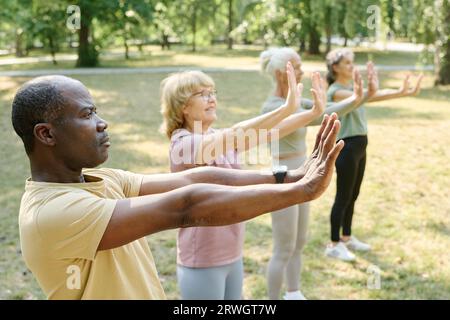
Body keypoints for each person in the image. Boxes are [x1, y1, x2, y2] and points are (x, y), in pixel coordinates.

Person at [12, 74, 343, 300]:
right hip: (203, 260)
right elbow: (185, 205)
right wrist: (301, 191)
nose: (102, 122)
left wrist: (290, 176)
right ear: (46, 134)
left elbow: (197, 179)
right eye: (86, 114)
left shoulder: (103, 180)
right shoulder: (52, 214)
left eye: (96, 111)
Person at [160, 62, 330, 300]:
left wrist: (311, 114)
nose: (211, 99)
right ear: (183, 106)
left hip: (232, 251)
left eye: (212, 93)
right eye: (202, 94)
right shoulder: (184, 144)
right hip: (203, 258)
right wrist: (286, 107)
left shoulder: (214, 137)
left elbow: (268, 133)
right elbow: (236, 132)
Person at [259, 47, 368, 300]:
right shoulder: (272, 107)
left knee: (299, 242)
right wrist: (316, 110)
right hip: (282, 178)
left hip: (303, 175)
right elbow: (311, 116)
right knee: (283, 247)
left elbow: (328, 108)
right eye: (296, 67)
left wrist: (357, 97)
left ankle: (294, 292)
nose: (301, 71)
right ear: (280, 73)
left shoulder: (296, 102)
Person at [324, 48, 423, 261]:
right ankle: (333, 243)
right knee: (343, 197)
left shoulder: (352, 88)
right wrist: (370, 88)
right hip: (347, 147)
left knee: (354, 195)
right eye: (348, 63)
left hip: (360, 145)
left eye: (353, 62)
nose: (352, 66)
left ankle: (347, 237)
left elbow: (371, 96)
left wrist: (402, 91)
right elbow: (362, 97)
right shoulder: (336, 91)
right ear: (335, 68)